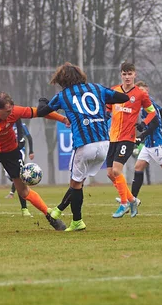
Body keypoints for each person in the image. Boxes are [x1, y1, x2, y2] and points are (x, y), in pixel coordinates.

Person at [0, 92, 69, 235]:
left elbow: (41, 112)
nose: (10, 114)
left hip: (10, 151)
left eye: (11, 110)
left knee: (23, 191)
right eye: (7, 111)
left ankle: (50, 216)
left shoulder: (14, 112)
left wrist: (63, 119)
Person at [38, 62, 130, 231]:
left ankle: (76, 221)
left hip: (85, 145)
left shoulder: (63, 95)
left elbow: (42, 112)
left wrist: (42, 102)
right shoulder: (97, 88)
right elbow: (123, 98)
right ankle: (58, 210)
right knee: (78, 183)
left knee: (75, 184)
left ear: (62, 80)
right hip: (104, 144)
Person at [106, 61, 158, 218]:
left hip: (128, 138)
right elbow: (108, 109)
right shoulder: (114, 91)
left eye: (130, 74)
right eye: (124, 74)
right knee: (109, 173)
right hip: (113, 137)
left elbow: (152, 113)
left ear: (135, 75)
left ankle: (124, 204)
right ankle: (132, 199)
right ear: (120, 75)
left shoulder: (141, 94)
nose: (127, 77)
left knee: (116, 170)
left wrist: (144, 124)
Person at [4, 120, 35, 217]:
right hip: (5, 151)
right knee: (9, 175)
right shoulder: (4, 123)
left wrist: (31, 151)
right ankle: (14, 191)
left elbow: (28, 137)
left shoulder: (22, 125)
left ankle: (24, 208)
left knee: (19, 175)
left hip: (19, 151)